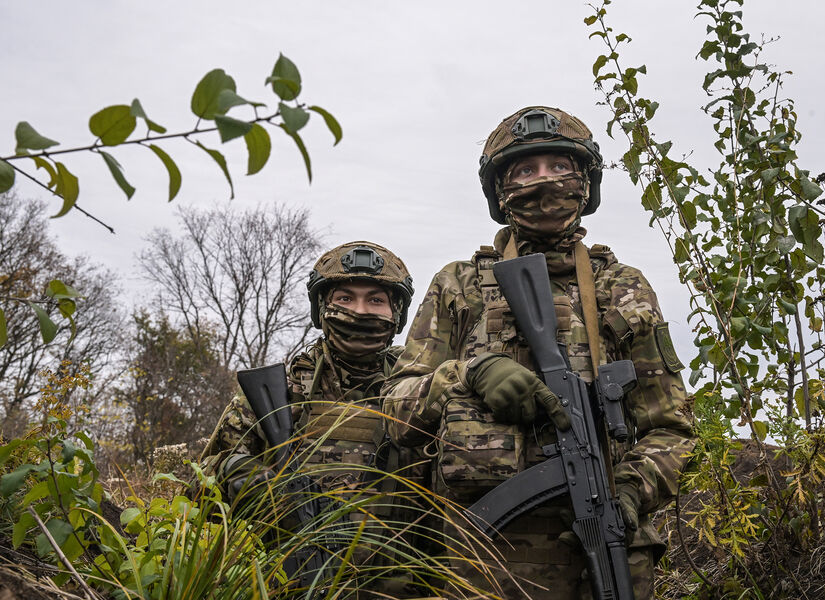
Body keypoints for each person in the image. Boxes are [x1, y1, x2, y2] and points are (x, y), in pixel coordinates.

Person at [382, 106, 696, 600]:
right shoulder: (460, 285)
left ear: (585, 182)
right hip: (479, 559)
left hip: (602, 555)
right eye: (525, 170)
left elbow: (671, 425)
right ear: (500, 190)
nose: (543, 181)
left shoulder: (624, 288)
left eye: (559, 166)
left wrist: (633, 491)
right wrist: (471, 372)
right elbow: (396, 409)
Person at [199, 240, 418, 595]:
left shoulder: (418, 391)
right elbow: (200, 483)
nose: (360, 312)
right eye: (345, 298)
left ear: (396, 314)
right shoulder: (279, 394)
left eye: (375, 300)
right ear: (322, 309)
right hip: (290, 582)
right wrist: (241, 476)